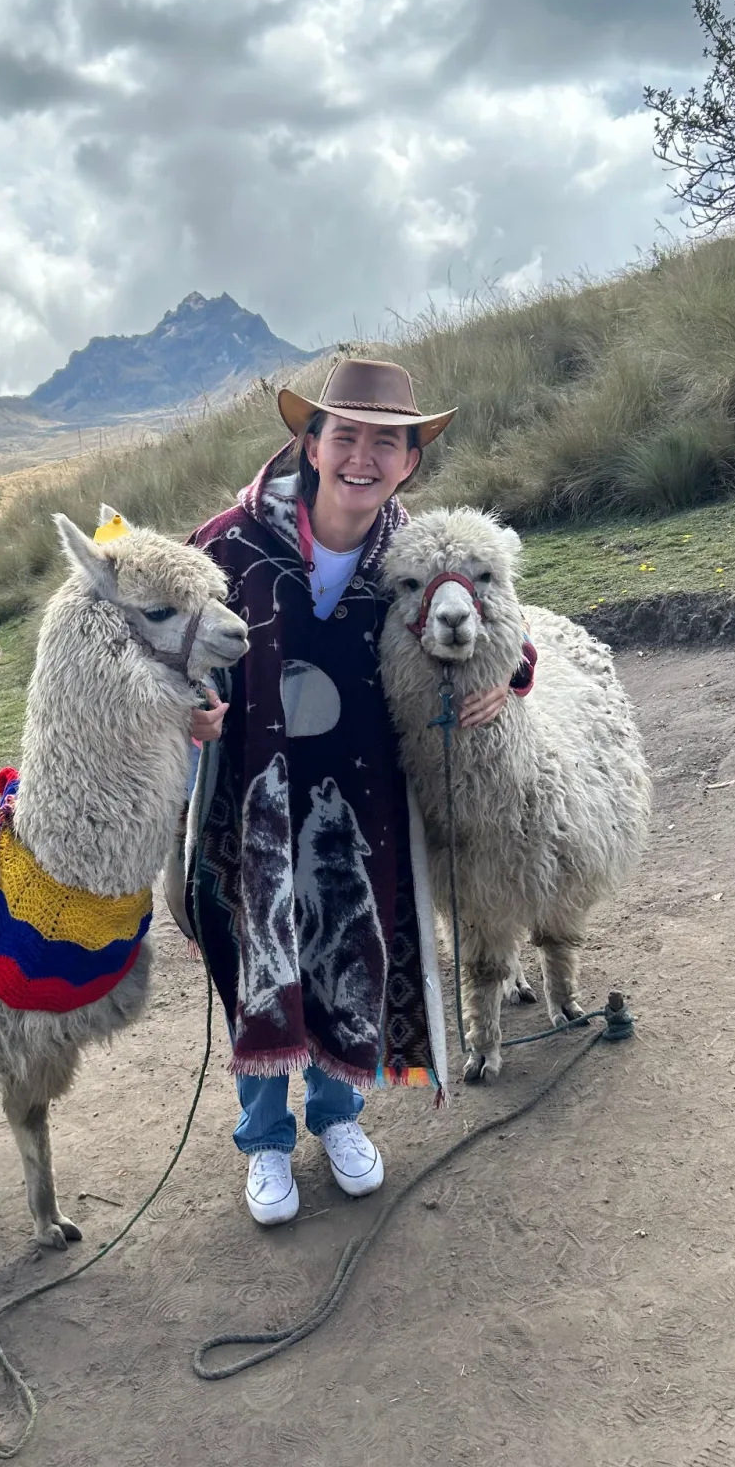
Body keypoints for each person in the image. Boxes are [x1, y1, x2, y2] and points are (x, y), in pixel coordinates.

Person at [183, 358, 536, 1226]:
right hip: (251, 799)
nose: (363, 458)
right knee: (260, 956)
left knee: (348, 946)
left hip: (362, 800)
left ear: (410, 461)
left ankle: (338, 1114)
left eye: (387, 443)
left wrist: (514, 676)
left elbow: (495, 620)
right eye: (346, 436)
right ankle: (265, 1139)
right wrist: (183, 712)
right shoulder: (227, 545)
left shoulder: (409, 557)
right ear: (311, 443)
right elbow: (161, 646)